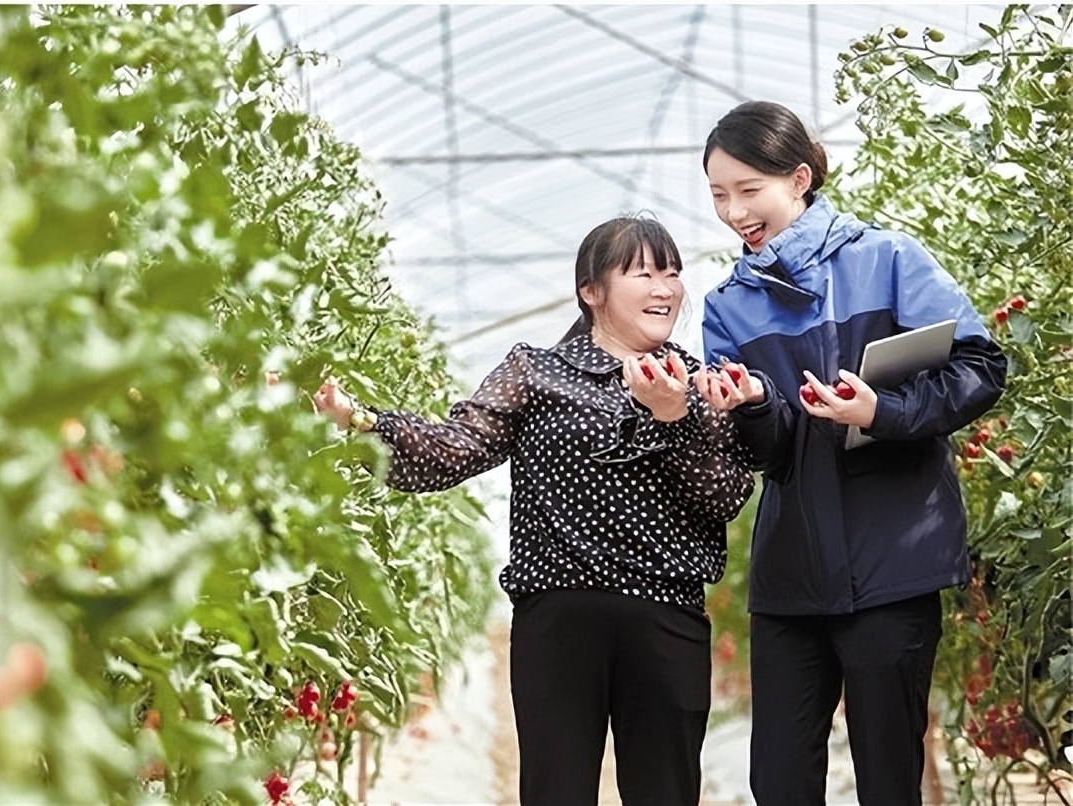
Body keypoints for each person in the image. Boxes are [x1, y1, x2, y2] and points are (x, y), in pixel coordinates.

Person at [314, 215, 754, 806]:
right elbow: (453, 450)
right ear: (590, 291)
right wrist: (359, 419)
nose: (664, 288)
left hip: (666, 618)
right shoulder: (536, 372)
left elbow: (724, 495)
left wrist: (674, 417)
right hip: (559, 618)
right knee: (556, 789)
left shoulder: (699, 385)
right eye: (643, 273)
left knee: (666, 792)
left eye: (672, 273)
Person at [693, 101, 1007, 806]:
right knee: (778, 781)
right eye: (718, 195)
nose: (734, 211)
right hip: (792, 571)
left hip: (892, 560)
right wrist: (751, 408)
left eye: (749, 191)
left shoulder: (887, 260)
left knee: (887, 778)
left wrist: (882, 411)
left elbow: (980, 366)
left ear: (799, 178)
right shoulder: (726, 307)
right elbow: (764, 454)